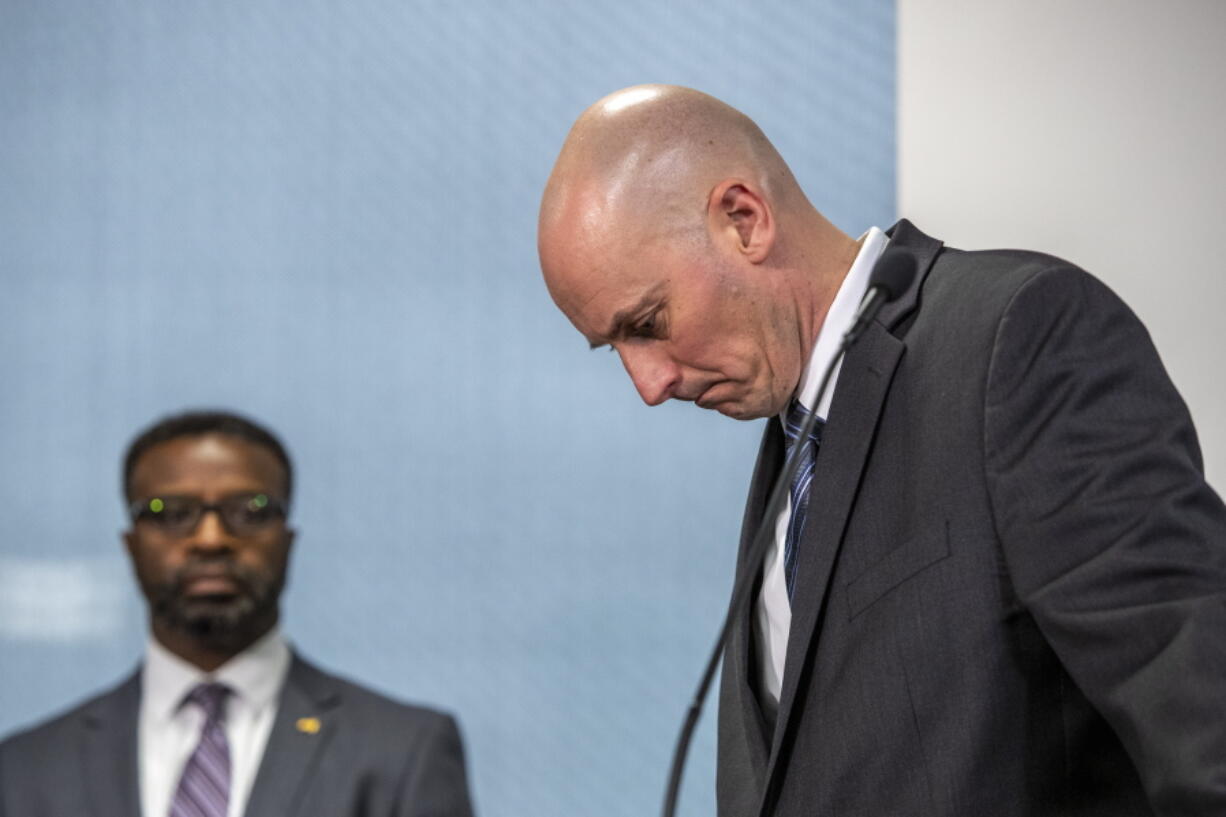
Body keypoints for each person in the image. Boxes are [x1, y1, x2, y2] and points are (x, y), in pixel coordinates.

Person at [537, 84, 1226, 816]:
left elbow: (1204, 715)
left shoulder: (1015, 340)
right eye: (610, 347)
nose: (647, 384)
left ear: (744, 219)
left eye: (648, 321)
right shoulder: (792, 453)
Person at [0, 410, 476, 817]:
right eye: (169, 511)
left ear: (288, 540)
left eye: (251, 509)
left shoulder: (403, 749)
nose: (211, 538)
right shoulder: (27, 767)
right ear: (131, 544)